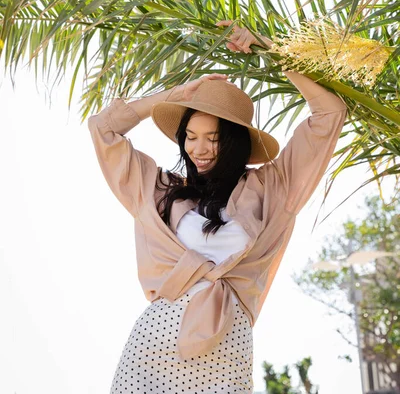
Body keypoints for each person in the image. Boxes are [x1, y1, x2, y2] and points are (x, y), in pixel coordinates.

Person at [87, 21, 347, 394]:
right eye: (190, 137)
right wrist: (173, 95)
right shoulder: (159, 191)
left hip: (228, 352)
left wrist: (267, 48)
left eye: (213, 138)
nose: (199, 149)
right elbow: (103, 130)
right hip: (152, 352)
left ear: (236, 143)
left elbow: (329, 113)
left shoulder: (274, 187)